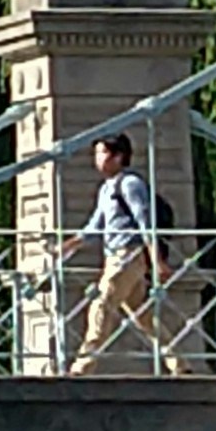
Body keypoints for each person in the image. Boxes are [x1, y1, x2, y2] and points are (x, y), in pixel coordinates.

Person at [71, 135, 158, 371]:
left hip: (128, 254)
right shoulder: (106, 188)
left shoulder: (130, 184)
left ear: (118, 156)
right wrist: (68, 245)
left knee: (102, 304)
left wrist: (156, 259)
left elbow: (144, 221)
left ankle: (83, 365)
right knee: (144, 317)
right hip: (114, 256)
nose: (97, 159)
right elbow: (94, 226)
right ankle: (180, 362)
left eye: (102, 153)